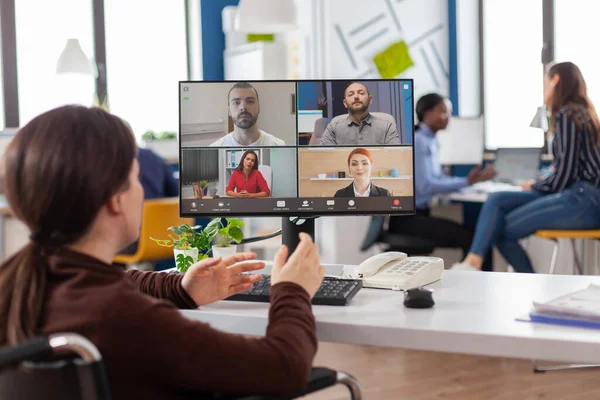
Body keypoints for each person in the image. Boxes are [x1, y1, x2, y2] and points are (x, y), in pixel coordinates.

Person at [0, 105, 326, 399]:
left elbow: (112, 284)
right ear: (115, 199)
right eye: (135, 176)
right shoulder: (130, 320)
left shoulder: (19, 281)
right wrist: (291, 291)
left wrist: (180, 288)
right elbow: (284, 366)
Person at [452, 62, 600, 273]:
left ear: (555, 79)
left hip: (581, 199)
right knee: (496, 200)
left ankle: (479, 264)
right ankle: (473, 262)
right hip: (582, 198)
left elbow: (564, 175)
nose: (544, 88)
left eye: (545, 81)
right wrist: (537, 184)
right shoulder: (583, 113)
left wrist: (535, 186)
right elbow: (568, 170)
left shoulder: (566, 115)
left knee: (501, 228)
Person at [388, 93, 497, 257]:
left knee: (471, 235)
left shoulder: (431, 140)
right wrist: (466, 181)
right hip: (407, 220)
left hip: (421, 214)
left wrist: (467, 183)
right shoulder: (419, 141)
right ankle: (468, 277)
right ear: (427, 114)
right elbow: (426, 186)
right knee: (470, 238)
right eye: (444, 112)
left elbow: (437, 179)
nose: (448, 118)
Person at [320, 82, 400, 145]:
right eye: (351, 94)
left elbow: (395, 155)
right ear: (345, 103)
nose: (356, 97)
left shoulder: (386, 125)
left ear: (370, 99)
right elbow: (324, 156)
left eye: (361, 93)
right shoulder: (334, 126)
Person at [211, 82, 286, 146]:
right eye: (236, 102)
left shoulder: (279, 145)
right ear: (229, 110)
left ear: (258, 108)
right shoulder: (215, 147)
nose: (243, 107)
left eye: (250, 101)